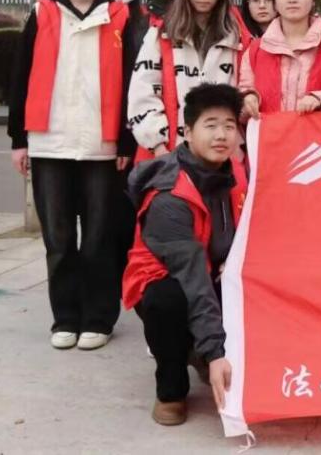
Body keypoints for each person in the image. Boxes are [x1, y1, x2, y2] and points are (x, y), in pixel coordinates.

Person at [7, 0, 133, 351]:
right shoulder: (43, 12)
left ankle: (99, 318)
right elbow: (20, 77)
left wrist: (126, 142)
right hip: (49, 141)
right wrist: (19, 139)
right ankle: (65, 318)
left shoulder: (119, 16)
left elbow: (132, 80)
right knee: (58, 240)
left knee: (99, 238)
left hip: (102, 145)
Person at [122, 83, 243, 426]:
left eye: (229, 126)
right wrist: (216, 352)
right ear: (187, 132)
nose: (221, 135)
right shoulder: (169, 195)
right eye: (210, 125)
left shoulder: (235, 173)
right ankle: (171, 388)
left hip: (213, 269)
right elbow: (193, 278)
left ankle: (203, 352)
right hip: (169, 279)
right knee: (168, 300)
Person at [128, 0, 247, 160]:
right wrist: (159, 145)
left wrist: (237, 143)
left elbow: (247, 90)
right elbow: (142, 92)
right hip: (170, 151)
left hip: (225, 153)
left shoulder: (238, 38)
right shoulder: (161, 34)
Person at [103, 0, 150, 276]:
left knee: (125, 211)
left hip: (130, 133)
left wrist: (126, 137)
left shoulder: (141, 26)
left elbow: (135, 86)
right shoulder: (96, 22)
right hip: (96, 132)